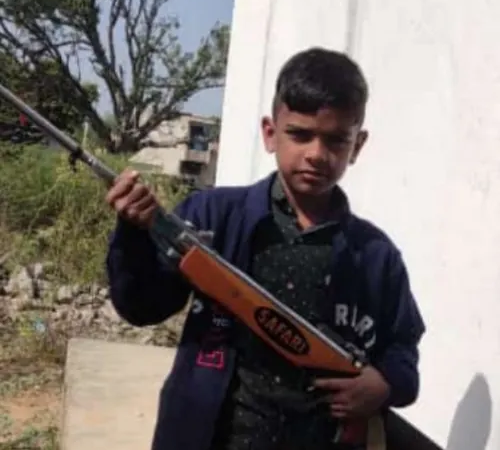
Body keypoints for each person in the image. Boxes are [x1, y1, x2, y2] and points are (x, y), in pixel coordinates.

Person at [105, 47, 426, 450]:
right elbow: (141, 307)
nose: (316, 154)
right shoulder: (212, 216)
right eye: (300, 134)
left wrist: (383, 385)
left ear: (357, 145)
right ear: (270, 133)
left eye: (336, 140)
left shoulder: (377, 257)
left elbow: (403, 348)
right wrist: (134, 232)